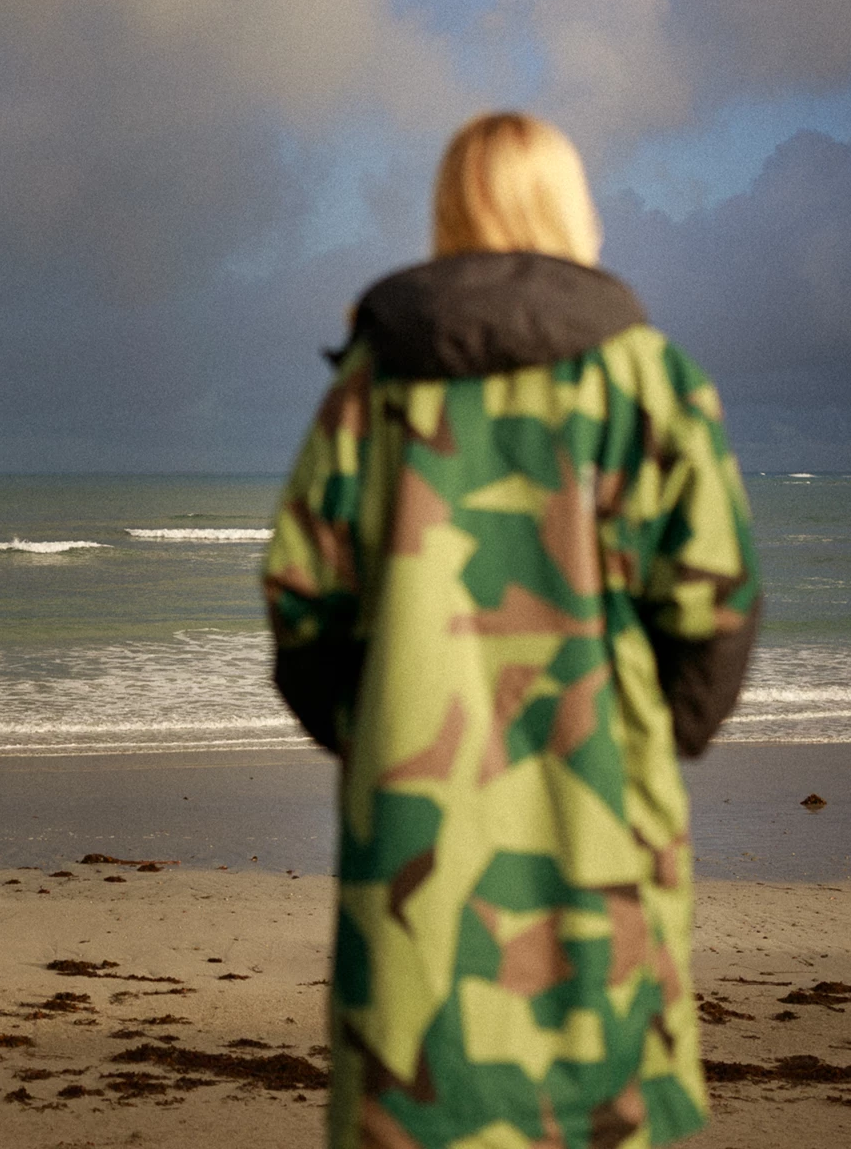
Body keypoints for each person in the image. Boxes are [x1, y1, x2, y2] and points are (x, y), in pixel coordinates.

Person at [263, 112, 760, 1149]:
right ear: (572, 209)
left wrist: (373, 732)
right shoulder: (647, 377)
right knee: (605, 1097)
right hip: (606, 804)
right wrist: (652, 738)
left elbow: (303, 590)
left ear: (450, 209)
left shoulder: (375, 382)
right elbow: (716, 599)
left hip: (414, 809)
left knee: (422, 1082)